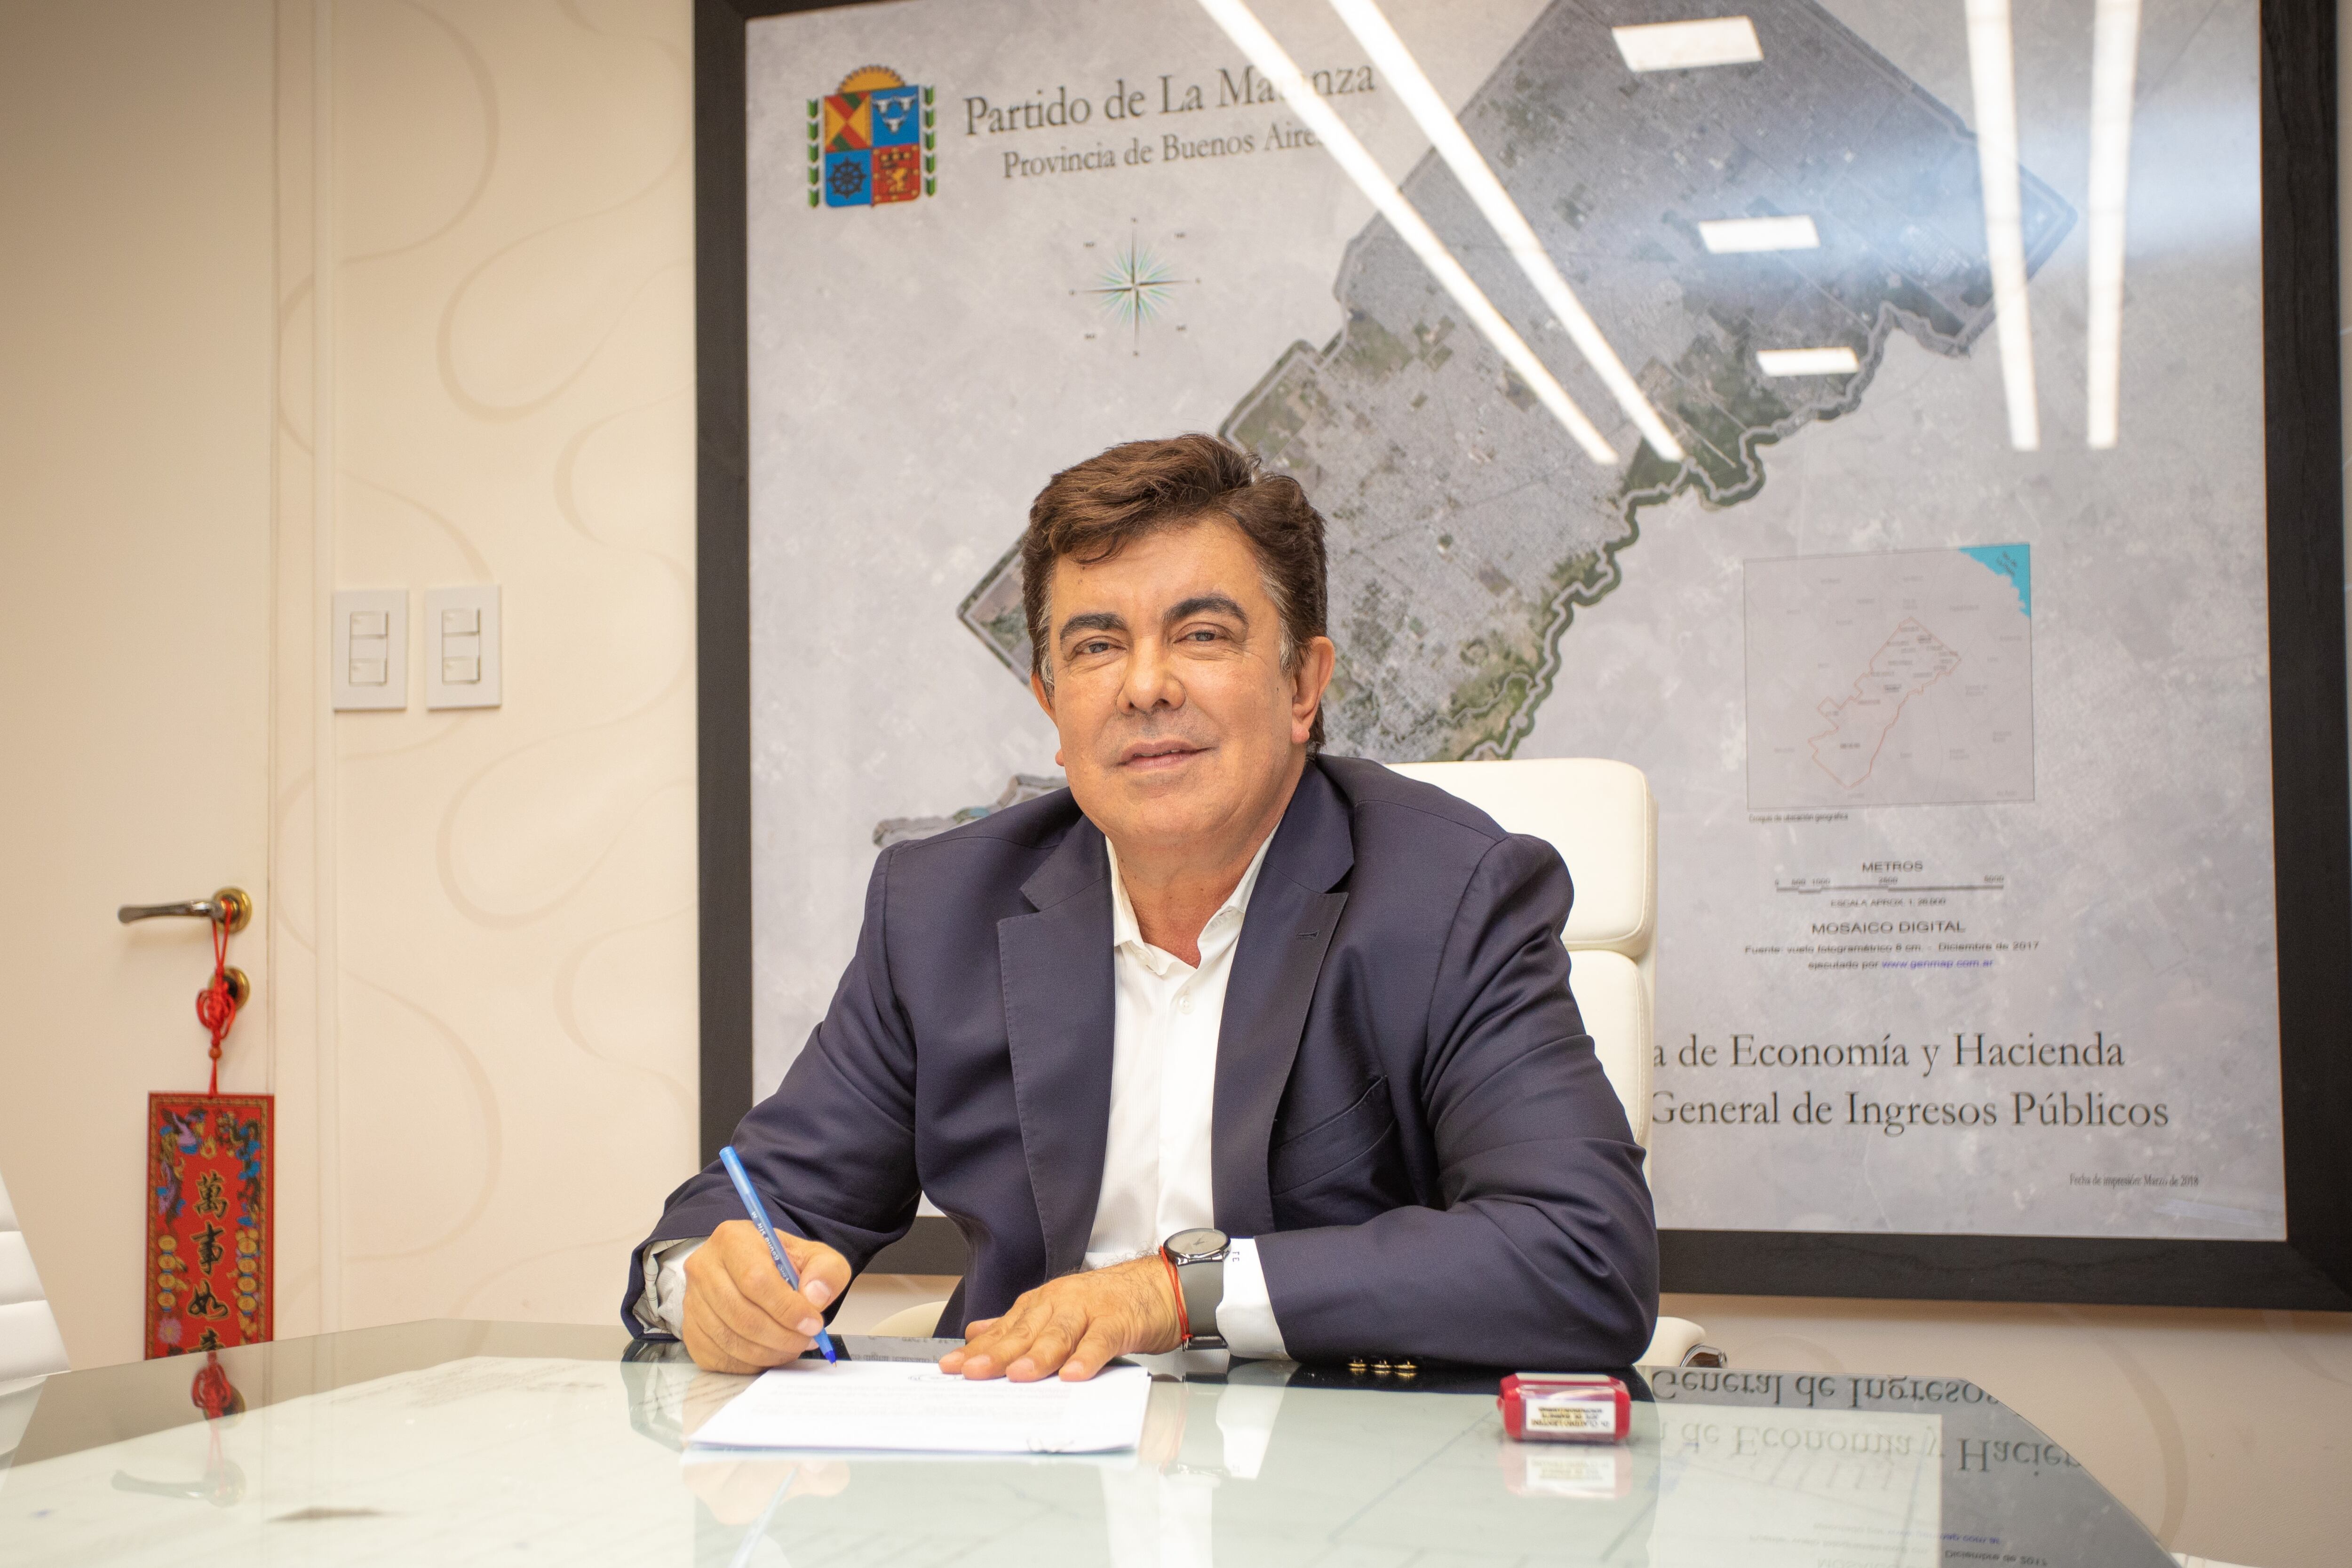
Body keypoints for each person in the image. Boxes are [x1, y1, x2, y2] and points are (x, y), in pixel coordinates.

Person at [623, 434, 1657, 1380]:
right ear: (1051, 703)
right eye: (1095, 646)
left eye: (1201, 634)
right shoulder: (939, 911)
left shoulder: (1450, 895)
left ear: (1303, 685)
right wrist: (705, 1283)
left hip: (1329, 1473)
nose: (1145, 686)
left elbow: (1582, 1255)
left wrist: (1176, 1290)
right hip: (1021, 1471)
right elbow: (745, 1209)